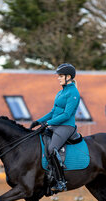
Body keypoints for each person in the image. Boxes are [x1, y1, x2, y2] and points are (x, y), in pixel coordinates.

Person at [29, 63, 80, 192]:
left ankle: (60, 181)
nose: (58, 78)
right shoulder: (60, 92)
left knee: (52, 148)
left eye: (61, 76)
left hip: (66, 126)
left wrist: (48, 123)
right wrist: (38, 121)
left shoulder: (73, 93)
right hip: (55, 125)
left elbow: (67, 114)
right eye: (58, 76)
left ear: (69, 77)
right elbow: (53, 111)